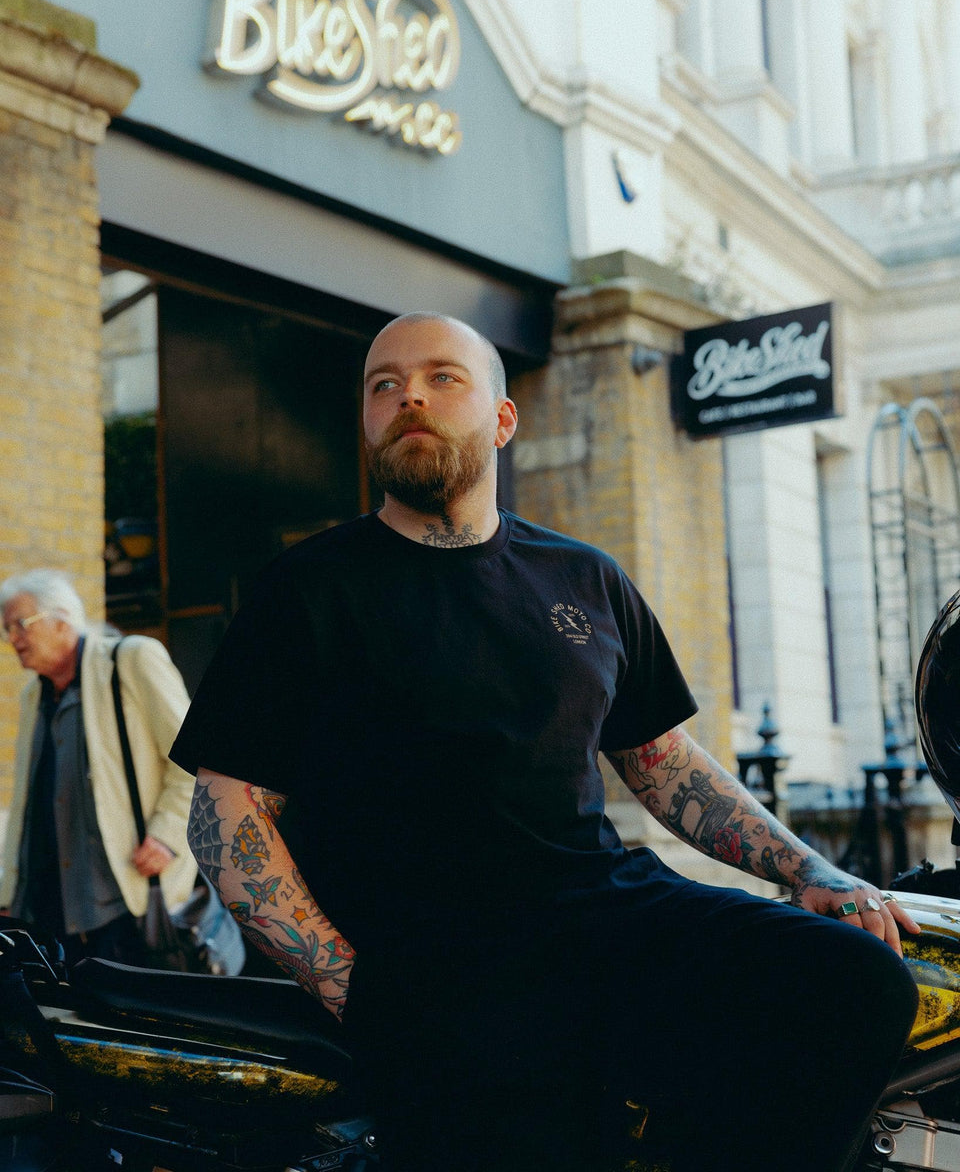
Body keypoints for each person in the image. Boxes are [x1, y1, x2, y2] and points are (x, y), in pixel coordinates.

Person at [171, 312, 920, 1172]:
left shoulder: (584, 577)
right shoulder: (307, 588)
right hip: (443, 967)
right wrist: (358, 988)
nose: (409, 393)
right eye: (384, 385)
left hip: (608, 914)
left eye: (441, 376)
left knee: (857, 985)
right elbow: (224, 820)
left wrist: (807, 869)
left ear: (501, 418)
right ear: (370, 423)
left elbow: (662, 760)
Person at [0, 568, 196, 965]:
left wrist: (167, 835)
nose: (13, 639)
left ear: (62, 619)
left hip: (125, 901)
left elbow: (195, 756)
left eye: (20, 625)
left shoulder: (131, 660)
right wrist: (9, 892)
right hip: (49, 908)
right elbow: (25, 804)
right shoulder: (31, 696)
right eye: (6, 629)